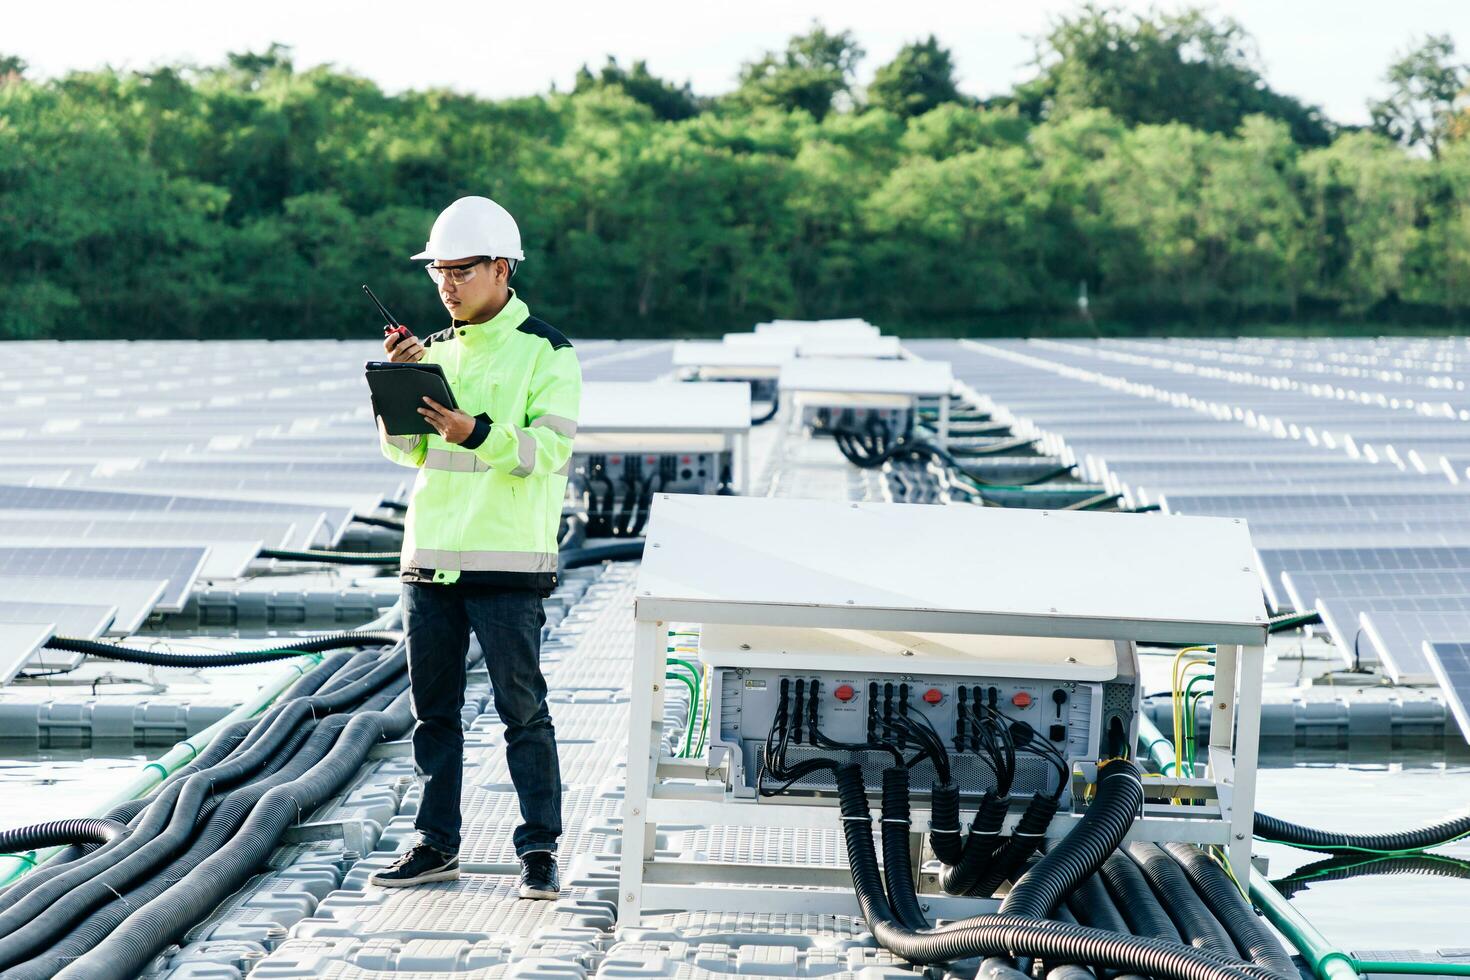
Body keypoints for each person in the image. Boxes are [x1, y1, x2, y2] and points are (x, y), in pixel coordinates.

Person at [368, 196, 580, 900]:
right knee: (435, 713)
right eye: (438, 273)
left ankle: (540, 849)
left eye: (460, 271)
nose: (447, 285)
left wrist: (475, 433)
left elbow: (547, 452)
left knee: (523, 711)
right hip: (429, 558)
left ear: (500, 268)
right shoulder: (433, 350)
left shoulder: (547, 351)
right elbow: (408, 455)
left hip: (507, 564)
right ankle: (435, 843)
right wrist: (396, 390)